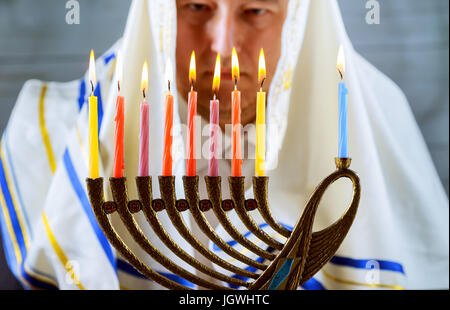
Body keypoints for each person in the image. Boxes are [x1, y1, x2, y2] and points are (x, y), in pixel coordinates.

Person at [0, 0, 447, 290]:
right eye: (195, 7)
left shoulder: (377, 122)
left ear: (299, 24)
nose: (221, 46)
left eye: (254, 11)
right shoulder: (61, 138)